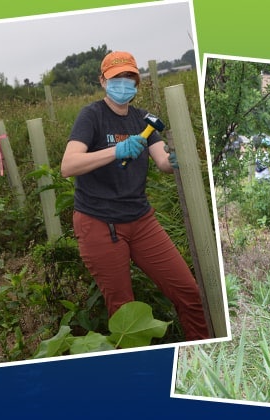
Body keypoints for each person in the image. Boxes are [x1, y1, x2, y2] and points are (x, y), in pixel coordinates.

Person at [59, 51, 210, 342]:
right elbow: (69, 165)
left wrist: (175, 156)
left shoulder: (143, 120)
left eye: (130, 77)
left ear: (137, 83)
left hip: (141, 221)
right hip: (100, 223)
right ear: (103, 81)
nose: (124, 84)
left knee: (190, 293)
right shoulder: (91, 116)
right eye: (117, 78)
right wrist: (115, 150)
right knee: (123, 311)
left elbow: (163, 162)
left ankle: (201, 353)